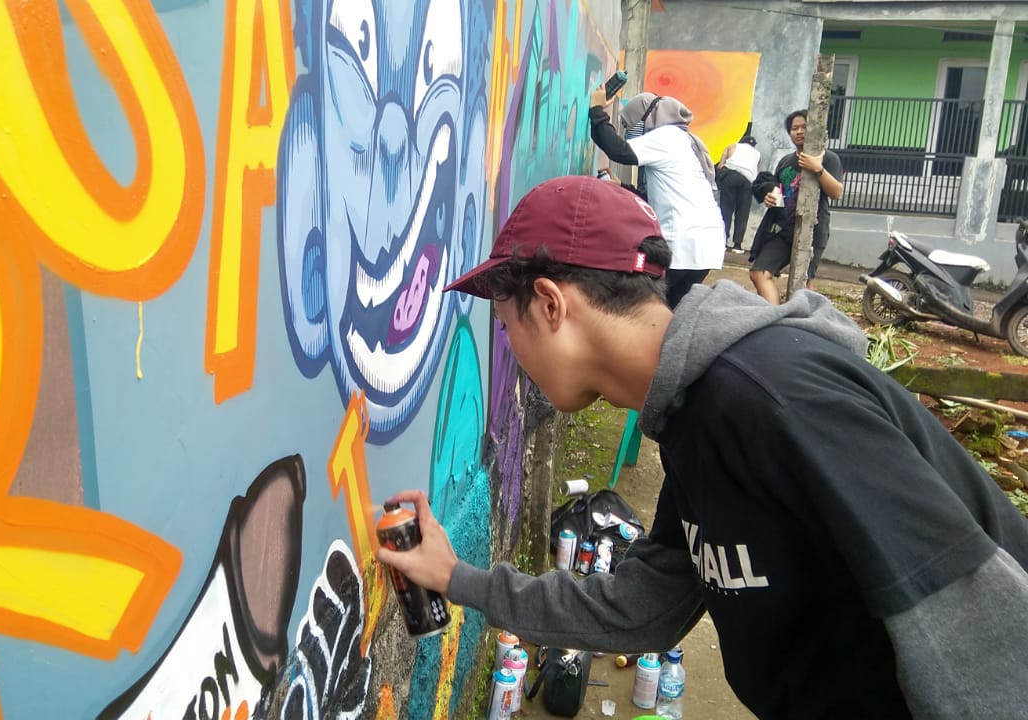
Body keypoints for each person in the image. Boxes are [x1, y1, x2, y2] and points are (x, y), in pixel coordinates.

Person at [377, 174, 1028, 719]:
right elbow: (643, 609)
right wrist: (457, 579)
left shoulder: (771, 398)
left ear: (550, 304)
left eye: (505, 325)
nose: (510, 354)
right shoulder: (694, 418)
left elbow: (979, 633)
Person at [589, 89, 724, 308]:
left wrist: (596, 111)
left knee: (642, 304)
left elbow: (619, 151)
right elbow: (665, 196)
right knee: (670, 310)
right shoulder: (687, 140)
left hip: (682, 244)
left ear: (646, 118)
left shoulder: (666, 137)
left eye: (630, 125)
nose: (629, 132)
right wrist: (622, 187)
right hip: (705, 246)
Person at [749, 109, 844, 304]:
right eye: (794, 128)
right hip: (784, 230)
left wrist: (817, 168)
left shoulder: (828, 158)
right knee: (759, 273)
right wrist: (769, 197)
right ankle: (775, 316)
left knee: (802, 284)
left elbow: (836, 193)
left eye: (804, 127)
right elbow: (779, 190)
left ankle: (803, 319)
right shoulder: (785, 161)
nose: (799, 131)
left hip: (813, 229)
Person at [716, 136, 761, 254]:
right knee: (742, 212)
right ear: (753, 145)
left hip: (730, 176)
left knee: (726, 210)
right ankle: (737, 245)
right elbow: (756, 172)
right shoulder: (757, 154)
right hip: (747, 181)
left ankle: (722, 241)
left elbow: (720, 165)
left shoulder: (732, 146)